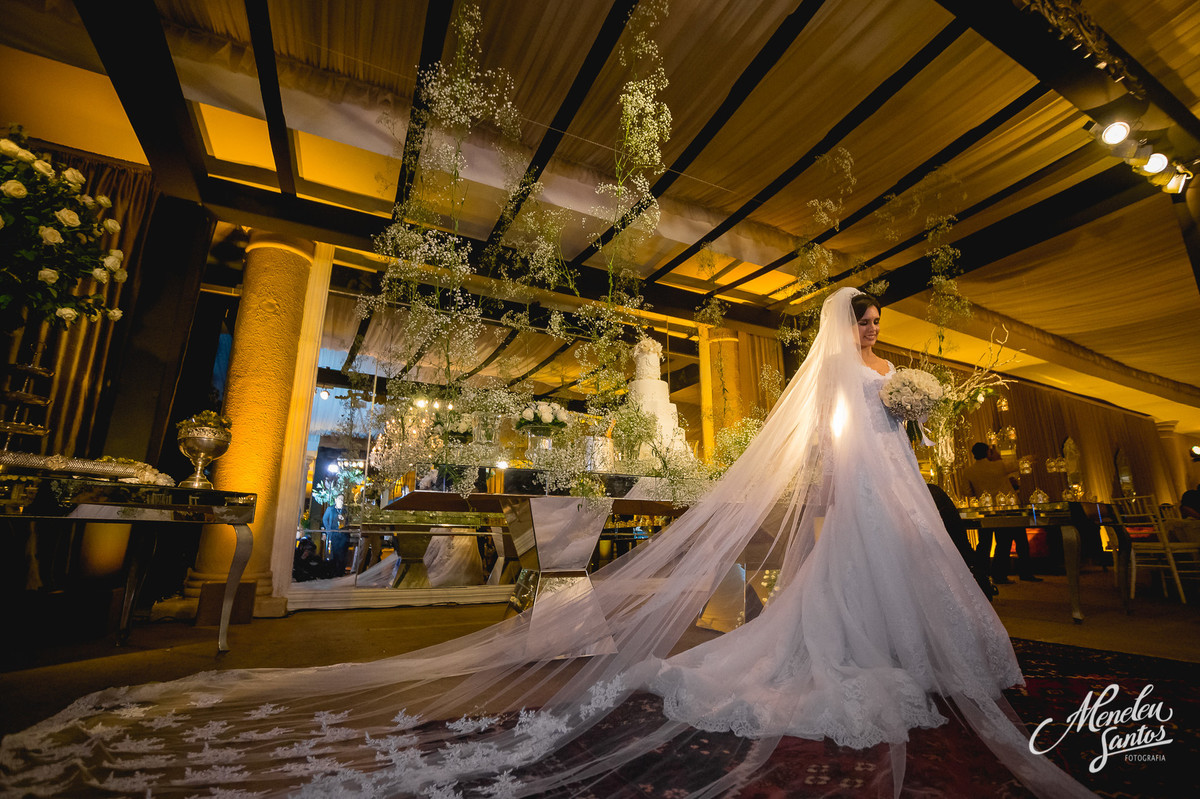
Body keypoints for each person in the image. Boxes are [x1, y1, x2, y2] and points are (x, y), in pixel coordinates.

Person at [0, 289, 1095, 798]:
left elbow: (830, 452)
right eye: (868, 322)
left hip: (864, 502)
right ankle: (863, 659)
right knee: (841, 607)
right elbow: (847, 442)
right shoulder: (870, 377)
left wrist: (895, 422)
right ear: (851, 330)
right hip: (865, 501)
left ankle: (868, 652)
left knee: (853, 600)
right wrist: (904, 407)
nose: (872, 335)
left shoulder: (861, 382)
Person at [963, 442, 1043, 583]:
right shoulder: (999, 465)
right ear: (988, 452)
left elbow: (967, 492)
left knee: (984, 544)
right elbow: (1019, 463)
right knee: (1008, 542)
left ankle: (981, 575)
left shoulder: (969, 471)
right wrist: (1033, 456)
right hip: (1007, 508)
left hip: (984, 510)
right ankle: (1008, 574)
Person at [322, 494, 350, 574]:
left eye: (342, 499)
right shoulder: (330, 509)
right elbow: (324, 519)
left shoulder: (345, 510)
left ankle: (341, 571)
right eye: (339, 499)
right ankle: (334, 571)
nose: (341, 501)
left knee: (343, 553)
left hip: (343, 535)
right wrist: (328, 530)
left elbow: (349, 520)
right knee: (335, 552)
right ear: (336, 500)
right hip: (334, 534)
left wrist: (344, 519)